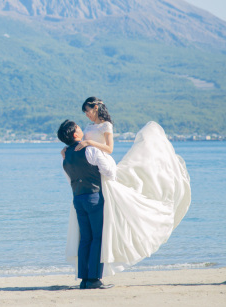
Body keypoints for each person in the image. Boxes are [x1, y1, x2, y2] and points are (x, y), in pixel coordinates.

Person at [62, 99, 192, 280]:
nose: (86, 114)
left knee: (93, 234)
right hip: (94, 177)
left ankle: (89, 277)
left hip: (98, 172)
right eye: (84, 112)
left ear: (96, 107)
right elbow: (80, 150)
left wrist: (90, 144)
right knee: (95, 235)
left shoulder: (106, 125)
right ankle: (92, 277)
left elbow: (109, 148)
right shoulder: (88, 128)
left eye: (88, 110)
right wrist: (72, 149)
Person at [57, 119, 117, 289]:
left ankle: (84, 279)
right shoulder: (90, 150)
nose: (80, 127)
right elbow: (110, 172)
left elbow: (70, 179)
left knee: (85, 238)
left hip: (78, 198)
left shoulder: (65, 155)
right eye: (77, 127)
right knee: (98, 237)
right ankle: (94, 279)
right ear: (76, 134)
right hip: (94, 197)